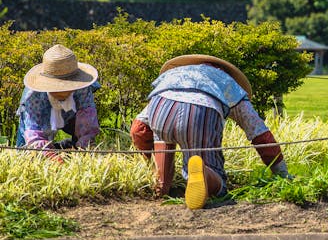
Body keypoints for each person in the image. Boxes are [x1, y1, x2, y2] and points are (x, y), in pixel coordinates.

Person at [130, 54, 289, 210]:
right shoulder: (228, 83)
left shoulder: (174, 75)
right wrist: (282, 174)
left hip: (161, 107)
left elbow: (139, 129)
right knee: (216, 181)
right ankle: (205, 173)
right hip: (201, 111)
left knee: (163, 145)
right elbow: (259, 132)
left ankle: (161, 188)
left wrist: (148, 162)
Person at [16, 44, 101, 160]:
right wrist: (52, 158)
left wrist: (84, 152)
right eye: (58, 89)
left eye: (67, 87)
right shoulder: (34, 96)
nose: (63, 92)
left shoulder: (82, 88)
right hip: (41, 120)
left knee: (83, 150)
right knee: (25, 155)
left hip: (71, 115)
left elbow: (87, 122)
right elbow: (33, 133)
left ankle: (68, 148)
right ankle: (57, 149)